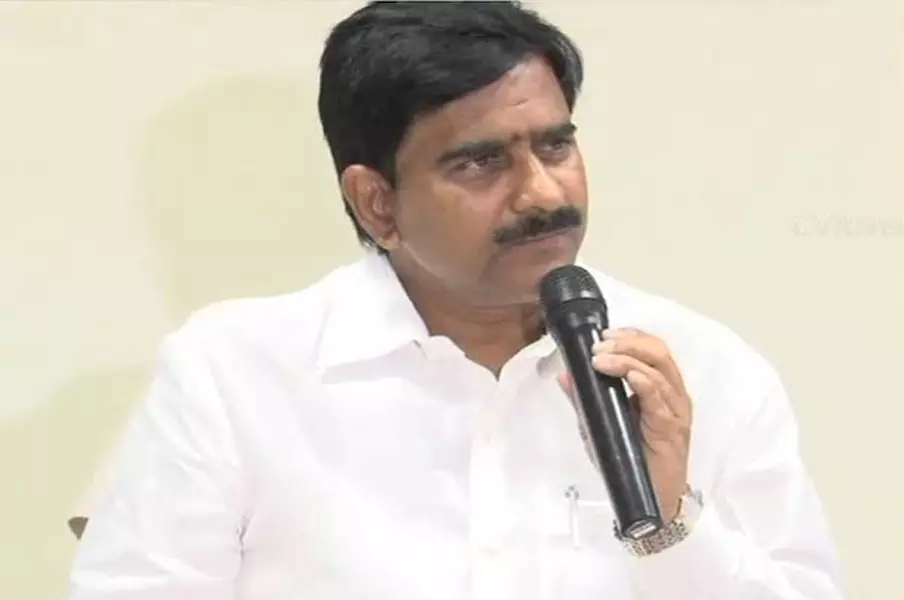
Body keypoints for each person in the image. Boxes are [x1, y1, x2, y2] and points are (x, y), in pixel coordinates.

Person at [67, 2, 845, 598]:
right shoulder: (234, 375)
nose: (544, 193)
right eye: (480, 163)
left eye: (556, 145)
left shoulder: (704, 369)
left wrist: (672, 525)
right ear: (377, 203)